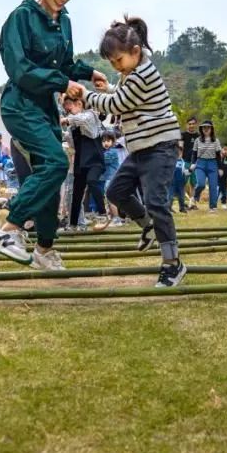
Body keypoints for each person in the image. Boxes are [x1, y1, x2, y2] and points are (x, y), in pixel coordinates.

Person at [0, 0, 106, 269]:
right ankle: (8, 229)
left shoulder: (63, 21)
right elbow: (20, 69)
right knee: (53, 163)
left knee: (51, 176)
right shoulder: (21, 17)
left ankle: (45, 249)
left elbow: (65, 63)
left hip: (45, 109)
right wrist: (62, 82)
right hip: (20, 105)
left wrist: (86, 72)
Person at [87, 16, 186, 287]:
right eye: (111, 63)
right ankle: (148, 226)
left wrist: (83, 96)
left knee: (156, 202)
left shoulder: (143, 74)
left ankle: (173, 263)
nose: (115, 66)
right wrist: (107, 88)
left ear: (135, 51)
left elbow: (118, 104)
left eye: (118, 61)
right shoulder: (132, 72)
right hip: (141, 149)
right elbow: (123, 95)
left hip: (160, 147)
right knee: (115, 192)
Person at [61, 96, 107, 229]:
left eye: (70, 105)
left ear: (79, 103)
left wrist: (65, 119)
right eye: (65, 107)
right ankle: (73, 224)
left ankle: (102, 214)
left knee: (92, 181)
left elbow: (82, 120)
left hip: (95, 160)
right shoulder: (72, 125)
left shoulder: (90, 115)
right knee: (77, 193)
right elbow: (69, 140)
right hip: (80, 162)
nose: (68, 109)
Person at [192, 120, 223, 212]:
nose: (206, 129)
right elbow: (194, 153)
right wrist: (193, 163)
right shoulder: (197, 140)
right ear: (201, 129)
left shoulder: (216, 141)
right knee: (201, 183)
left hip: (212, 163)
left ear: (211, 129)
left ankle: (213, 206)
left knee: (213, 186)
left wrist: (220, 168)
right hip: (200, 163)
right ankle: (195, 197)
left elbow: (218, 155)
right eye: (204, 127)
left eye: (208, 127)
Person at [181, 116, 199, 207]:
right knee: (183, 182)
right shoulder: (183, 135)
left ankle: (192, 202)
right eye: (189, 124)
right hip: (185, 161)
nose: (191, 125)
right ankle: (182, 202)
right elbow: (180, 148)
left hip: (195, 162)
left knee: (194, 183)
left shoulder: (198, 136)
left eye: (193, 124)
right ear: (187, 125)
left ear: (196, 124)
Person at [168, 141, 188, 214]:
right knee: (170, 195)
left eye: (180, 152)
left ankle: (182, 208)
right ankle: (168, 207)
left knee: (181, 196)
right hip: (172, 181)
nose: (179, 154)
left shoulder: (183, 162)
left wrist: (190, 170)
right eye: (177, 152)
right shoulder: (171, 161)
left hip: (181, 182)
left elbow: (186, 172)